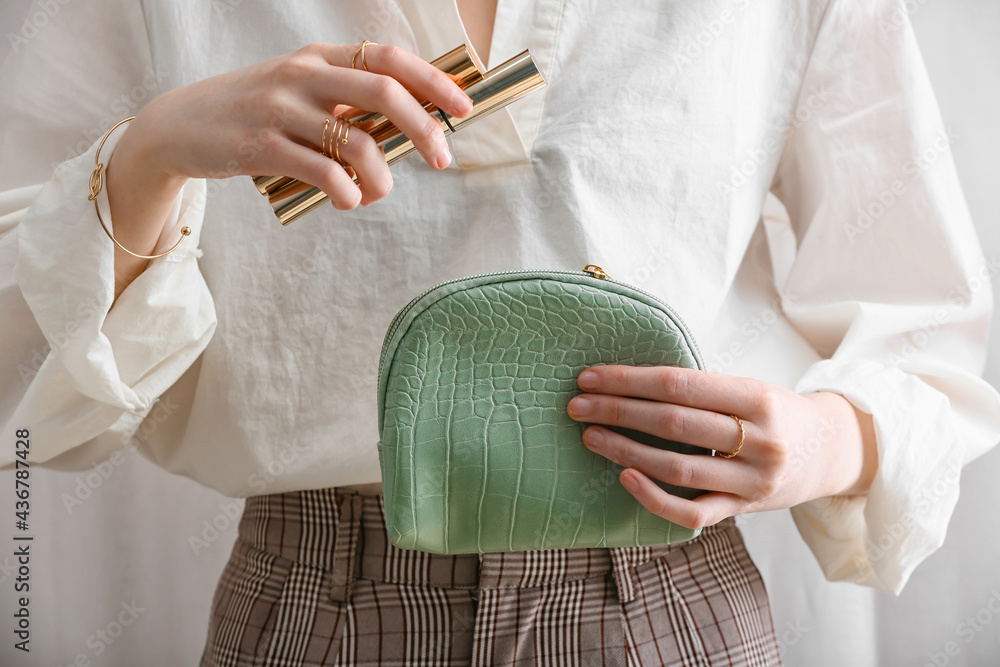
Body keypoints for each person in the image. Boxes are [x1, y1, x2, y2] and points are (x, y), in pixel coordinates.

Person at [2, 0, 998, 665]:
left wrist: (826, 441)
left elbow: (925, 322)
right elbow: (21, 363)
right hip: (315, 607)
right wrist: (148, 155)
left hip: (671, 600)